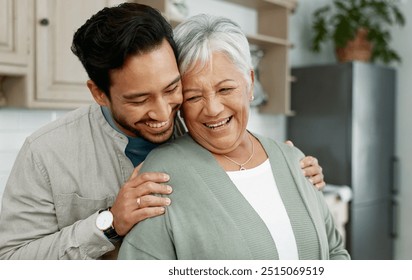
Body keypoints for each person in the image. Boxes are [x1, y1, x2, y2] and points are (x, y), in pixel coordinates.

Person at [0, 3, 325, 260]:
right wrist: (109, 223)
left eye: (172, 88)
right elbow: (11, 262)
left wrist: (281, 170)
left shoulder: (199, 125)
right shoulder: (47, 153)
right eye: (139, 99)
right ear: (99, 93)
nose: (162, 112)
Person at [118, 14, 350, 260]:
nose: (213, 109)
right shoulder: (161, 175)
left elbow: (335, 251)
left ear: (249, 83)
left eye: (225, 89)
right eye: (194, 96)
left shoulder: (294, 160)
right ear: (180, 104)